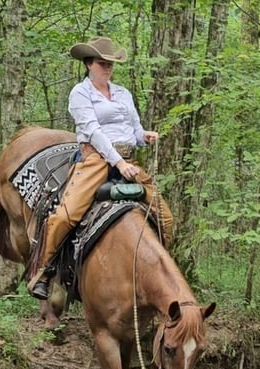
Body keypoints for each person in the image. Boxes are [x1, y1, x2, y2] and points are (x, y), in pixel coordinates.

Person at [27, 36, 174, 300]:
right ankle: (44, 272)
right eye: (101, 63)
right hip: (96, 160)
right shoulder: (80, 93)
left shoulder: (123, 93)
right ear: (88, 64)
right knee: (64, 217)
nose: (107, 67)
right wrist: (117, 161)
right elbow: (93, 131)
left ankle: (158, 274)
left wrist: (144, 136)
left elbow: (134, 128)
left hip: (128, 160)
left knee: (166, 218)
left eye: (110, 64)